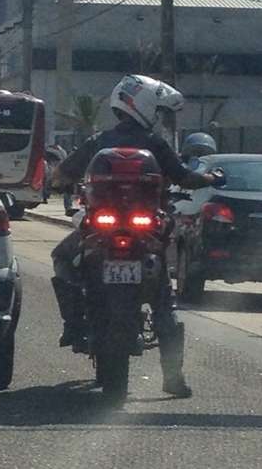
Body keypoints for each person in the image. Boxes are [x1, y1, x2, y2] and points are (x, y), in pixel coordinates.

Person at [50, 74, 225, 398]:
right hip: (145, 232)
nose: (158, 117)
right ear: (143, 105)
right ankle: (173, 378)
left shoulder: (101, 141)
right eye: (157, 111)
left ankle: (73, 324)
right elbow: (185, 177)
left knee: (63, 258)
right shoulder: (155, 144)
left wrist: (59, 181)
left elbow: (62, 174)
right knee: (162, 301)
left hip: (101, 229)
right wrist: (210, 176)